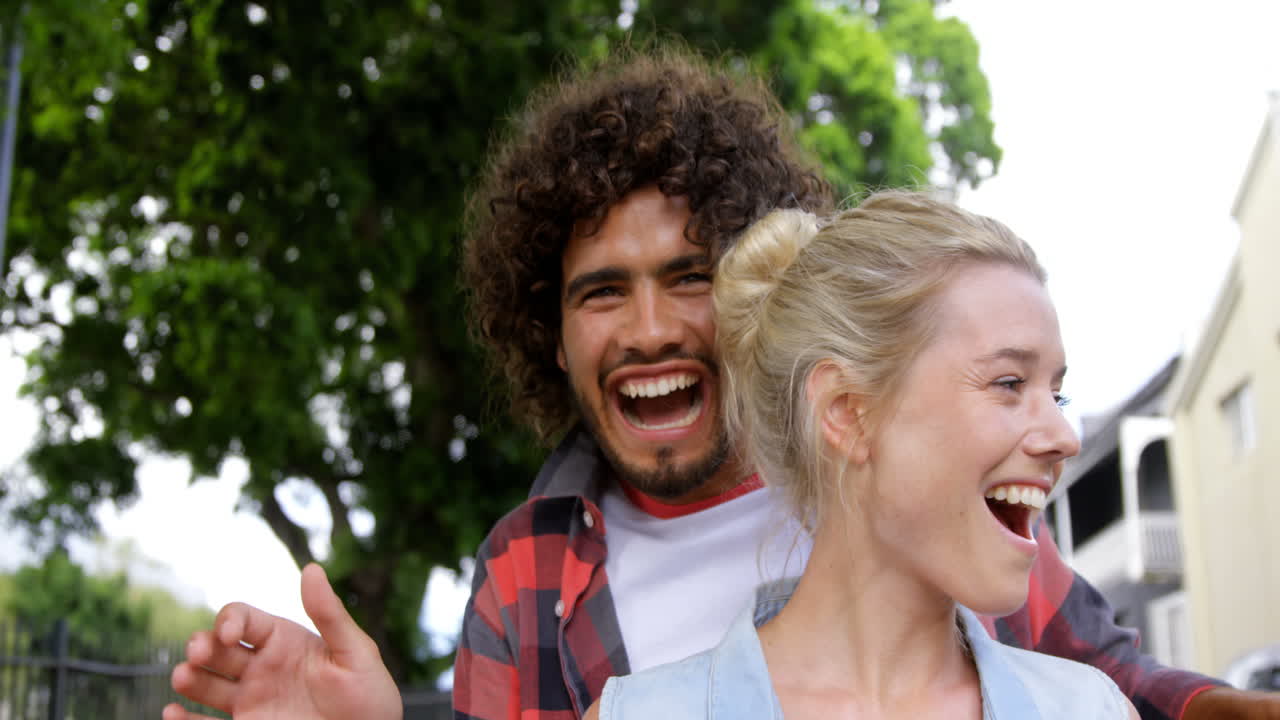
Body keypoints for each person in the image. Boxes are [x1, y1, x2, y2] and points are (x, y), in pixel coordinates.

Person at [165, 47, 1278, 720]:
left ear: (755, 289)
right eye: (601, 292)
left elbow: (1112, 676)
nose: (648, 329)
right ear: (548, 335)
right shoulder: (527, 568)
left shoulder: (914, 492)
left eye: (687, 277)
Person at [587, 191, 1130, 718]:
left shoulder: (1094, 710)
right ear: (847, 411)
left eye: (1055, 394)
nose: (1065, 437)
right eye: (1009, 382)